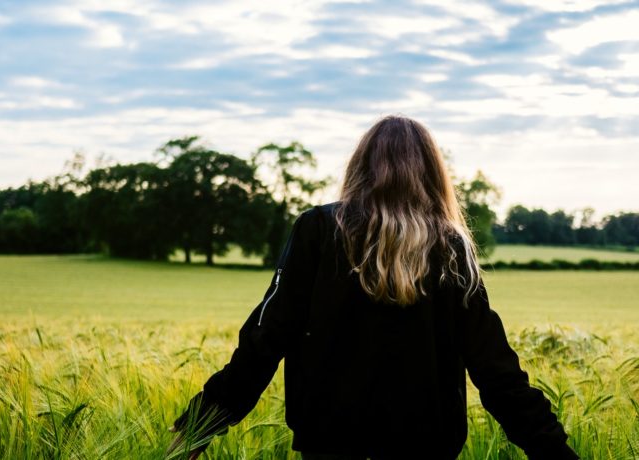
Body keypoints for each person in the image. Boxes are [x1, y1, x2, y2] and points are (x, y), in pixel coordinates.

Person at [168, 115, 578, 459]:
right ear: (433, 175)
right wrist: (556, 452)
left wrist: (199, 425)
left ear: (359, 167)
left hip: (329, 446)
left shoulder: (318, 230)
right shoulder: (450, 247)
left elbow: (265, 340)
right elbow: (497, 371)